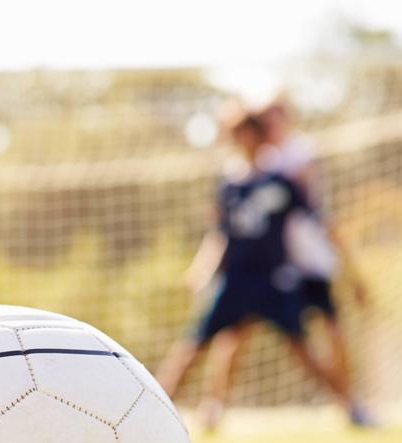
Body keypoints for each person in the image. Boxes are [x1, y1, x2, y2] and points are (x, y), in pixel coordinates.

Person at [155, 111, 362, 421]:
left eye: (244, 134)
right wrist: (201, 269)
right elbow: (219, 235)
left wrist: (349, 271)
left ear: (257, 136)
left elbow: (318, 224)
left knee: (305, 352)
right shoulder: (229, 187)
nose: (238, 142)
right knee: (193, 346)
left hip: (274, 282)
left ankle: (351, 408)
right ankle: (156, 408)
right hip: (235, 281)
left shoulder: (282, 183)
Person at [202, 95, 373, 430]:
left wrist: (351, 273)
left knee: (325, 337)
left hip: (309, 262)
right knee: (233, 338)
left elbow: (315, 210)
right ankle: (214, 407)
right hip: (268, 269)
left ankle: (351, 404)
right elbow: (223, 228)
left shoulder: (294, 159)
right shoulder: (240, 172)